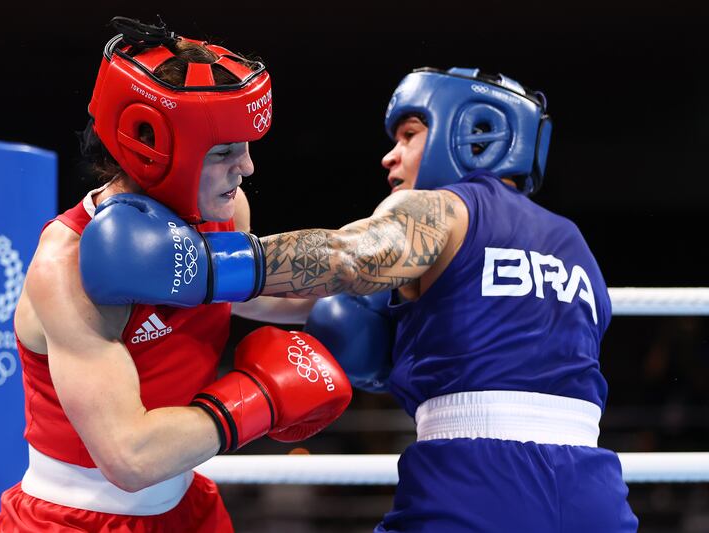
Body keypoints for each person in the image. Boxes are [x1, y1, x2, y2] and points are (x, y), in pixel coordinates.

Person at [83, 66, 639, 531]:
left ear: (474, 132)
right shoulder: (575, 247)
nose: (390, 158)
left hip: (479, 481)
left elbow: (352, 257)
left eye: (410, 135)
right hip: (595, 491)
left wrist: (199, 268)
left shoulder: (441, 209)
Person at [0, 17, 351, 532]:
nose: (247, 168)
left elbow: (266, 298)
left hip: (188, 507)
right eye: (225, 151)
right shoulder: (68, 263)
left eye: (245, 147)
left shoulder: (226, 212)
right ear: (154, 147)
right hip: (76, 519)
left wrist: (378, 294)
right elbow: (130, 458)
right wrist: (259, 398)